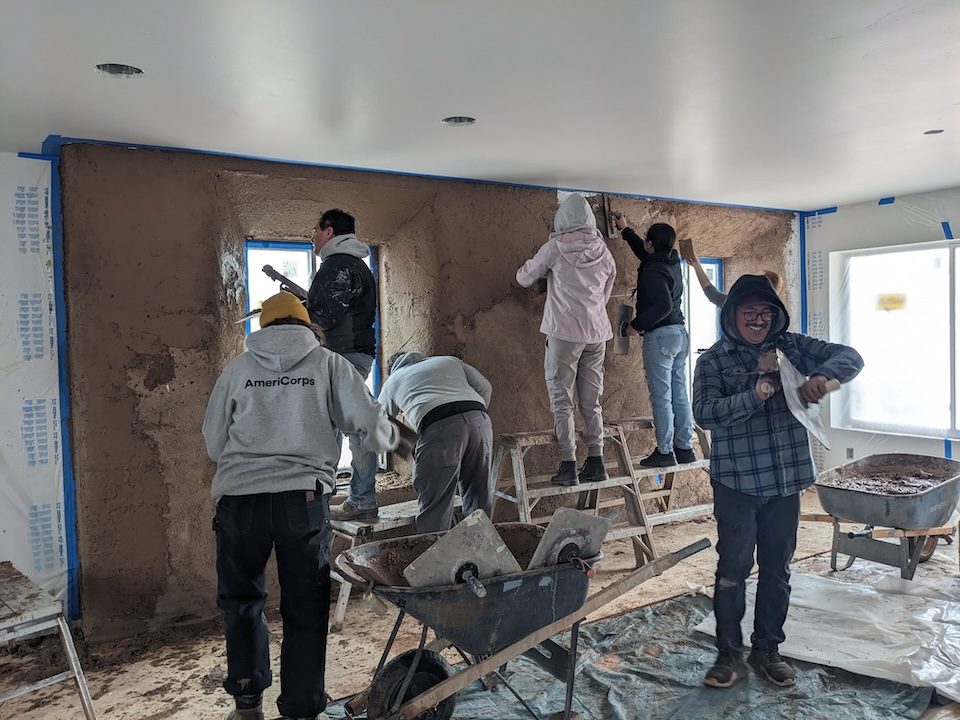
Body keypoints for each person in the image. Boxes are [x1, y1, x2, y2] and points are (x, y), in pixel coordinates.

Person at [203, 292, 403, 720]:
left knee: (241, 602)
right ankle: (300, 710)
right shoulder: (329, 364)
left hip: (239, 501)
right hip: (303, 500)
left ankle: (246, 705)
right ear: (307, 326)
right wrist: (388, 439)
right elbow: (370, 424)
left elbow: (214, 441)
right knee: (305, 607)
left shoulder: (238, 369)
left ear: (264, 327)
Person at [693, 274, 863, 689]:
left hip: (786, 482)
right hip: (737, 483)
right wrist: (758, 392)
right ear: (731, 315)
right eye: (749, 312)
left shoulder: (790, 345)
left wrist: (821, 376)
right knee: (733, 570)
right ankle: (728, 657)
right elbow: (705, 413)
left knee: (777, 570)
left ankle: (766, 650)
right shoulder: (713, 361)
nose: (759, 320)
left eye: (766, 312)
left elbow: (851, 357)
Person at [516, 193, 617, 487]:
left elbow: (524, 278)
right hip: (596, 334)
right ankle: (596, 461)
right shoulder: (604, 251)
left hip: (564, 334)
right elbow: (606, 291)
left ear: (561, 220)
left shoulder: (555, 248)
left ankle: (569, 464)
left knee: (562, 400)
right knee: (592, 400)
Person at [307, 208, 380, 521]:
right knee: (346, 422)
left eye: (315, 230)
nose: (312, 237)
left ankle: (351, 499)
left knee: (339, 426)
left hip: (341, 354)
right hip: (357, 354)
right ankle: (357, 498)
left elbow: (324, 317)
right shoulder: (358, 265)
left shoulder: (336, 266)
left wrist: (300, 316)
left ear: (329, 231)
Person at [613, 213, 696, 468]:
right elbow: (646, 254)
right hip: (679, 333)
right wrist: (626, 231)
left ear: (651, 243)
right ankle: (685, 448)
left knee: (661, 397)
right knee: (679, 393)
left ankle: (665, 451)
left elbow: (663, 305)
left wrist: (634, 326)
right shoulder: (670, 261)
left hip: (660, 337)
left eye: (646, 241)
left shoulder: (652, 270)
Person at [378, 352, 494, 532]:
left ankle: (434, 550)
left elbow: (379, 419)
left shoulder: (393, 380)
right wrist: (472, 418)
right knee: (479, 496)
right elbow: (485, 387)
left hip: (440, 425)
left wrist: (407, 445)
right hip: (480, 421)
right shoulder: (449, 361)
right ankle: (480, 546)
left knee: (436, 504)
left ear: (393, 368)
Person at [679, 237, 782, 307]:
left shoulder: (741, 304)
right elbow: (713, 295)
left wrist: (697, 266)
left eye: (755, 278)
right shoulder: (769, 312)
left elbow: (713, 295)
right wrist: (696, 265)